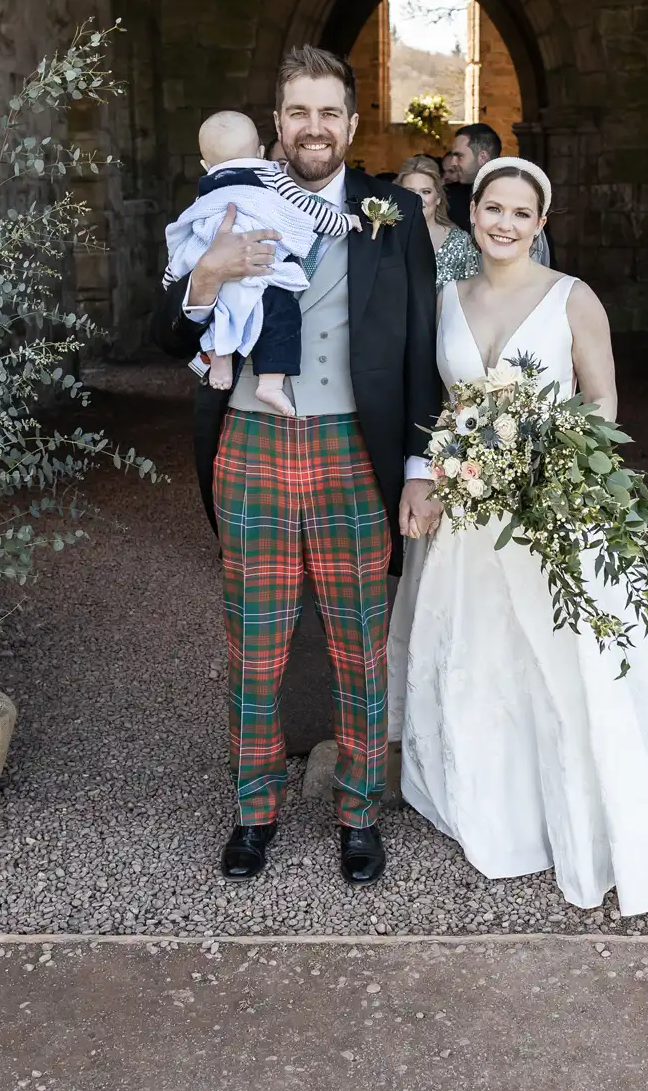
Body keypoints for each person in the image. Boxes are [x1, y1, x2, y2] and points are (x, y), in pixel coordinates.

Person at [391, 157, 648, 917]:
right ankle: (498, 805)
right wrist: (449, 468)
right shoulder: (446, 297)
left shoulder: (573, 298)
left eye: (522, 213)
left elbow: (603, 399)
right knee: (482, 658)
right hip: (472, 516)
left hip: (554, 509)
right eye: (493, 208)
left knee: (567, 665)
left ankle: (585, 806)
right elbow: (444, 408)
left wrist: (554, 463)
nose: (505, 223)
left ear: (541, 225)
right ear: (471, 211)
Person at [151, 46, 442, 886]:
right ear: (277, 125)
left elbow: (420, 340)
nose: (314, 128)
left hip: (356, 443)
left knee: (360, 640)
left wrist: (419, 462)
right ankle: (254, 808)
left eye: (329, 113)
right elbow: (168, 329)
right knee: (256, 639)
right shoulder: (224, 201)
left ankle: (359, 811)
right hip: (250, 440)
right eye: (298, 113)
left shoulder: (390, 212)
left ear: (351, 124)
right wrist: (206, 275)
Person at [163, 110, 359, 415]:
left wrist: (171, 280)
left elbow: (185, 238)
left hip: (214, 266)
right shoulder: (269, 175)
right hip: (261, 274)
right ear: (259, 153)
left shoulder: (205, 192)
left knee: (221, 313)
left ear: (205, 164)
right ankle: (270, 383)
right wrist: (343, 223)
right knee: (282, 316)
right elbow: (308, 210)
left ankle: (218, 358)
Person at [443, 122, 551, 267]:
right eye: (493, 208)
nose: (453, 163)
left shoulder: (523, 194)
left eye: (459, 156)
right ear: (473, 210)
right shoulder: (450, 196)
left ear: (482, 157)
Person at [397, 152, 479, 286]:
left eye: (426, 192)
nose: (417, 199)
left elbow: (473, 293)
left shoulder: (460, 242)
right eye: (409, 192)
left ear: (438, 198)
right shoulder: (386, 237)